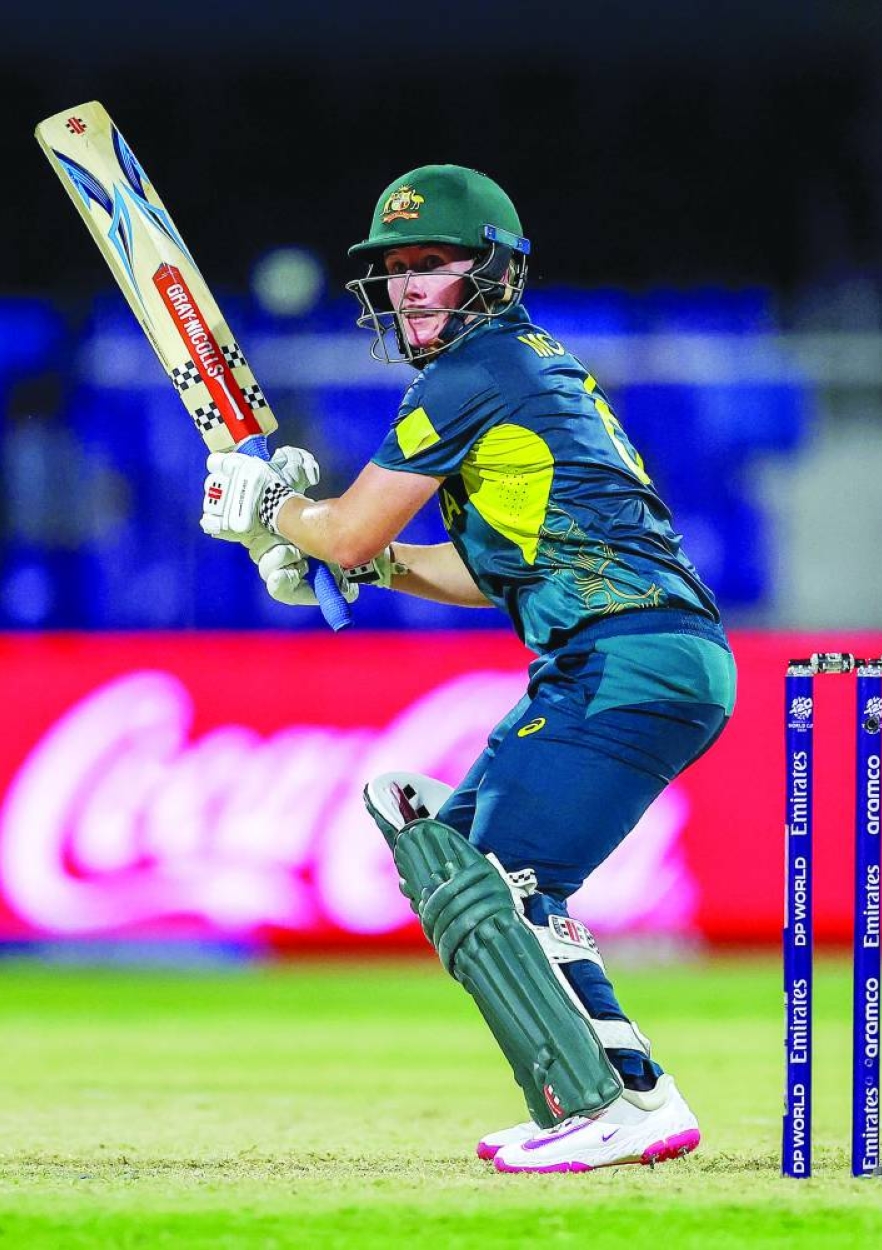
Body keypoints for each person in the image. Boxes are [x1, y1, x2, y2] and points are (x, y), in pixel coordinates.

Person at [200, 165, 737, 1173]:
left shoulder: (476, 371)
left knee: (506, 874)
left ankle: (627, 1104)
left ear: (490, 271)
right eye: (395, 268)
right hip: (632, 655)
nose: (406, 285)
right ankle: (612, 1091)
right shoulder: (514, 371)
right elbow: (477, 568)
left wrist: (280, 512)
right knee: (450, 856)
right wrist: (347, 552)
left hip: (626, 657)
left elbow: (349, 527)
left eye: (431, 263)